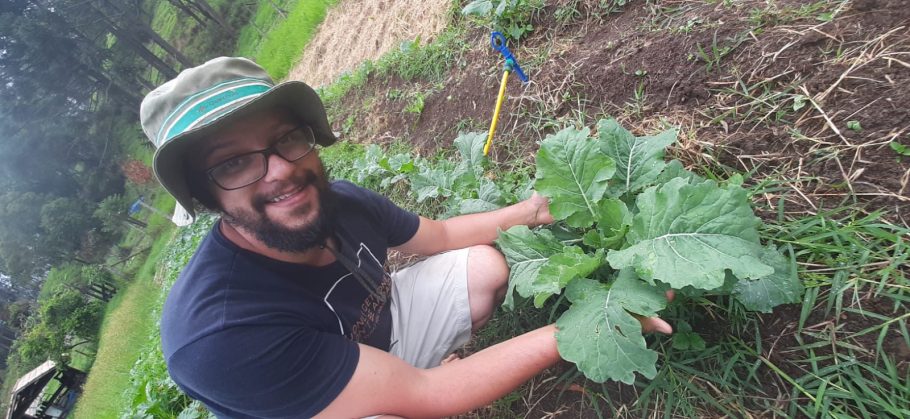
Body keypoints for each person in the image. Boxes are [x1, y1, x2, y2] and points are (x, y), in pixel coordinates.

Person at [140, 57, 672, 418]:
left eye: (286, 139)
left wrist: (532, 211)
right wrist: (584, 330)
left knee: (484, 268)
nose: (279, 169)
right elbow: (429, 393)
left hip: (379, 345)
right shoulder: (218, 336)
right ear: (206, 197)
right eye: (234, 163)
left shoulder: (340, 200)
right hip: (320, 403)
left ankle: (397, 383)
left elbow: (438, 235)